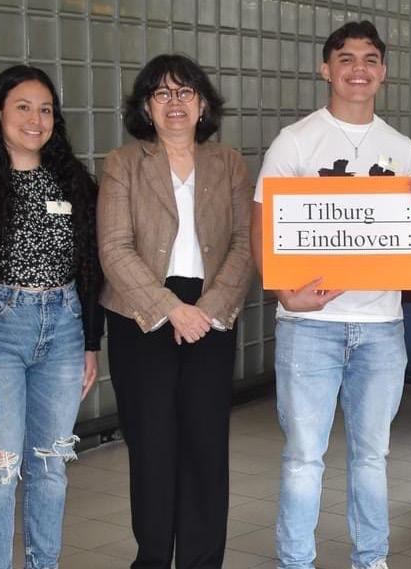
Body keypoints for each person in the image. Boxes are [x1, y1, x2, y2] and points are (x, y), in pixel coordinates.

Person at [248, 21, 411, 569]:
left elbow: (410, 245)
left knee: (372, 456)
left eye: (370, 59)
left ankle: (371, 559)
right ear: (326, 69)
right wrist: (283, 294)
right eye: (347, 59)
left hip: (381, 327)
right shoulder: (296, 141)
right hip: (310, 326)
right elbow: (262, 225)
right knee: (303, 457)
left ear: (384, 71)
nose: (359, 69)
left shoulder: (401, 148)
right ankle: (295, 562)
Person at [0, 64, 102, 569]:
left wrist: (91, 342)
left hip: (64, 331)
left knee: (51, 469)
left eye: (45, 109)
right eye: (23, 107)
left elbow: (92, 267)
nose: (36, 119)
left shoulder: (74, 182)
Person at [98, 54, 253, 568]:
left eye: (185, 91)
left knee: (206, 448)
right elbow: (114, 248)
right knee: (153, 448)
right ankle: (152, 559)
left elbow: (245, 243)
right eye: (161, 93)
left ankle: (202, 561)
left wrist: (207, 309)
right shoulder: (123, 163)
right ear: (146, 106)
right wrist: (172, 309)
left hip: (212, 313)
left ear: (203, 103)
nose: (175, 102)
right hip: (140, 316)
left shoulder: (228, 162)